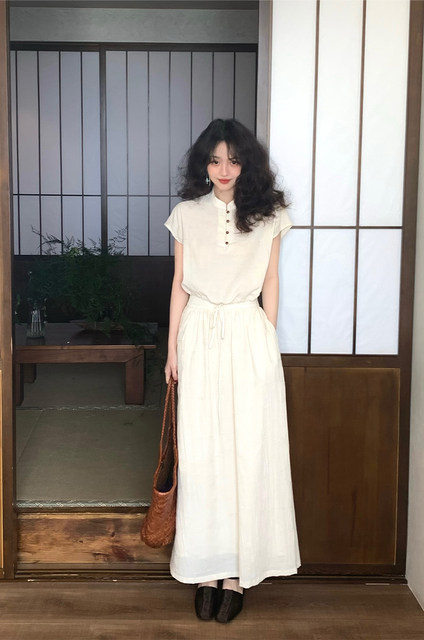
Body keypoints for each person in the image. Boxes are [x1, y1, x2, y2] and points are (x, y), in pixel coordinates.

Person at [163, 118, 301, 624]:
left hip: (247, 333)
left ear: (248, 164)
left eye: (234, 160)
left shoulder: (270, 215)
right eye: (215, 160)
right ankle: (206, 569)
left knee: (248, 451)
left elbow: (272, 279)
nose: (224, 170)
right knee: (203, 454)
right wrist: (172, 350)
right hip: (199, 333)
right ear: (204, 164)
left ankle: (238, 573)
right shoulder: (185, 214)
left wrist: (266, 337)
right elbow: (179, 283)